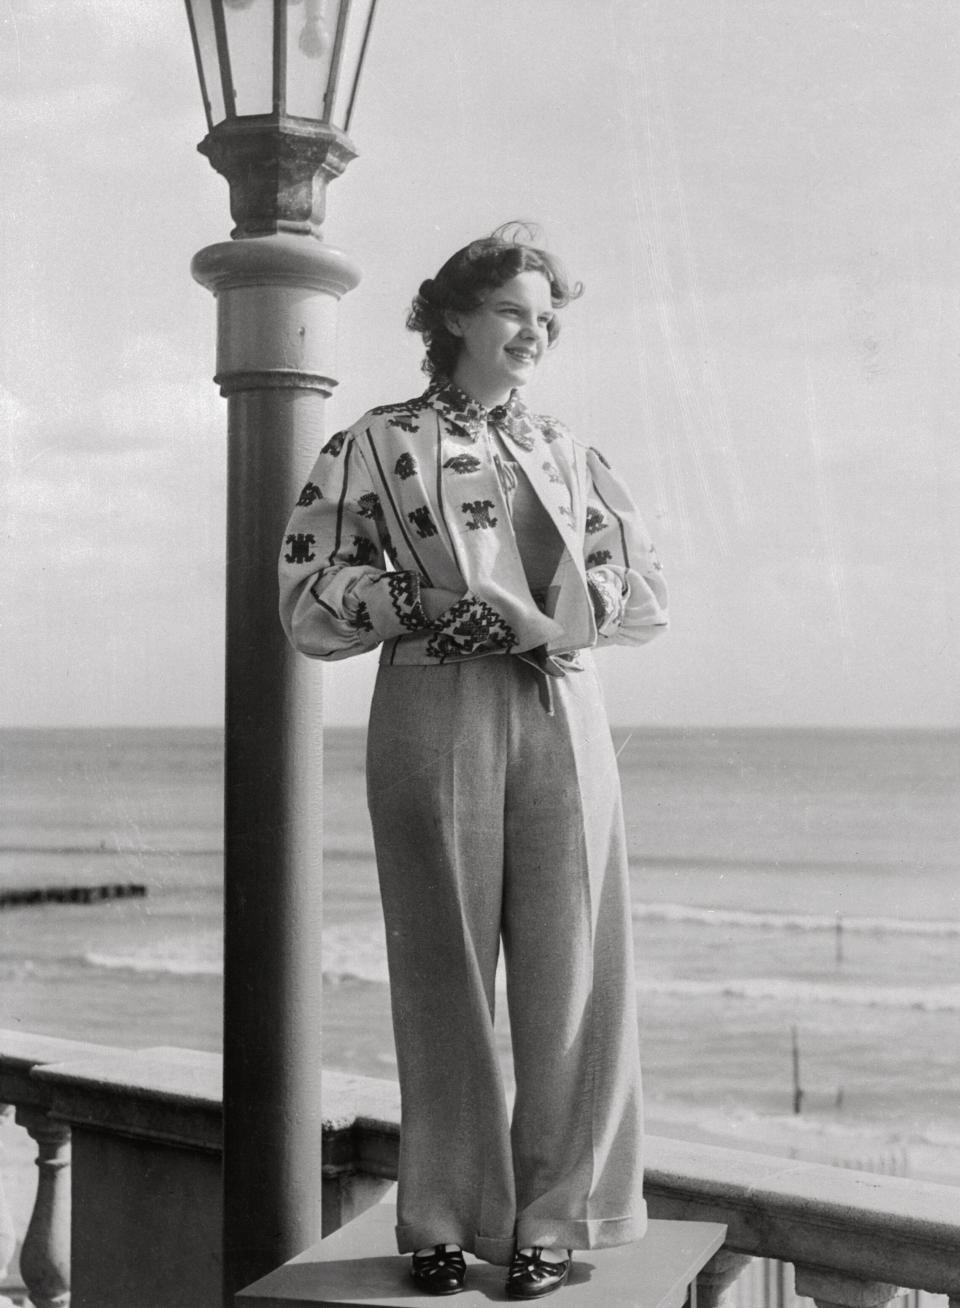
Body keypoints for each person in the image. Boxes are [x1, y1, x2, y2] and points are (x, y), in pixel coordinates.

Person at [279, 223, 668, 1299]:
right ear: (453, 315)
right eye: (513, 313)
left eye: (548, 319)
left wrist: (572, 609)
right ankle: (443, 1215)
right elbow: (310, 595)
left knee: (573, 968)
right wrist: (423, 603)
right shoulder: (376, 442)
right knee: (442, 966)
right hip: (431, 698)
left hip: (560, 704)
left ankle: (558, 1216)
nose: (534, 335)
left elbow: (641, 595)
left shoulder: (568, 450)